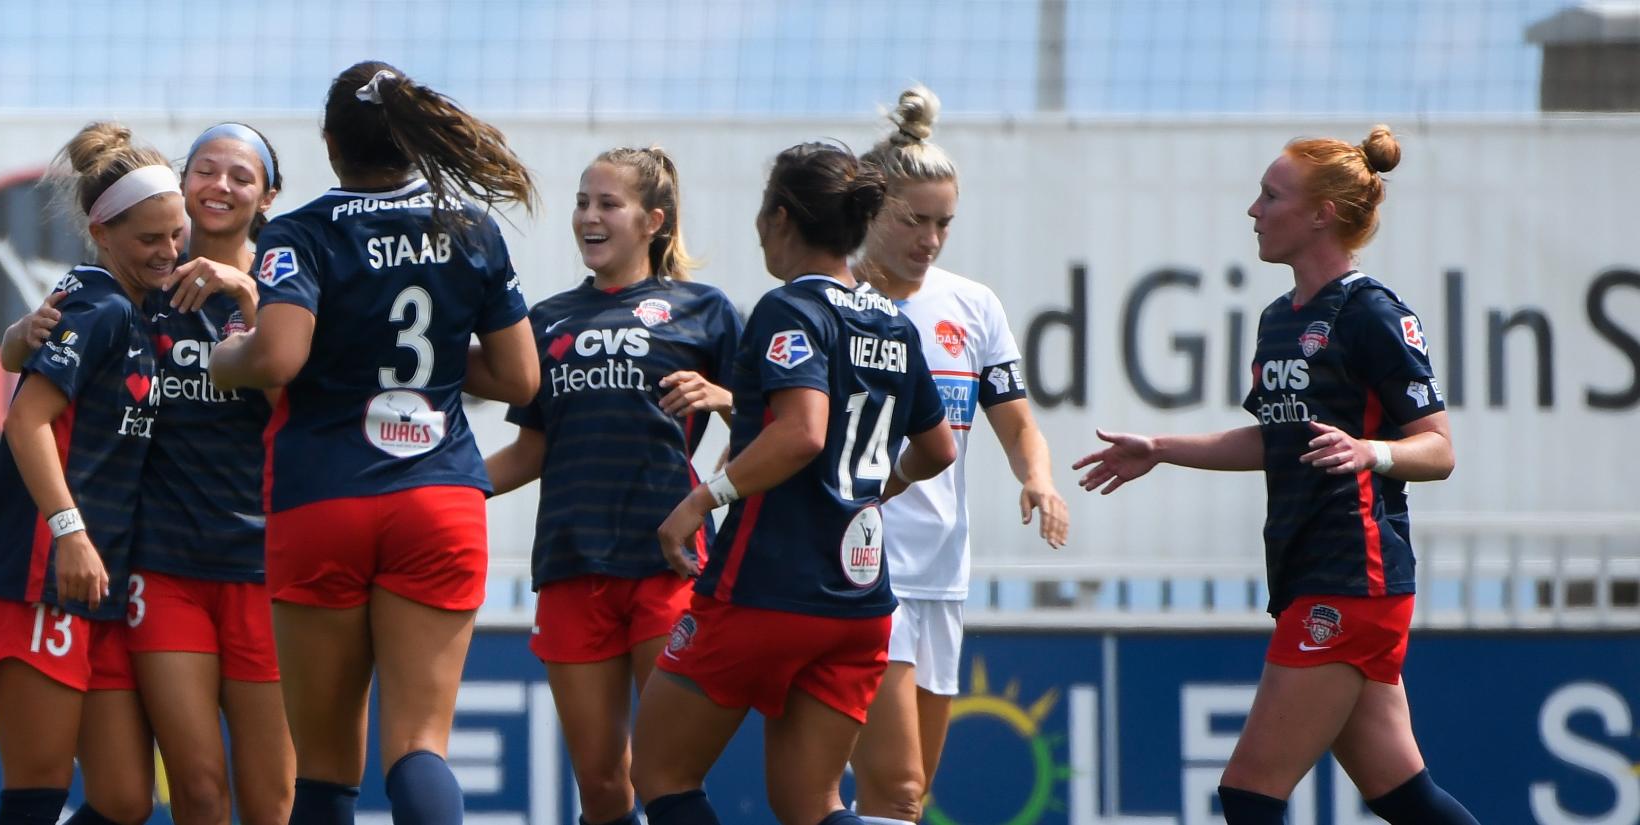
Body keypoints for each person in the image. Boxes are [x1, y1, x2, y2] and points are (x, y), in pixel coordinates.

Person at [1072, 126, 1478, 825]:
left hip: (1352, 575)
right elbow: (1277, 441)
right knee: (1406, 796)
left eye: (1270, 195)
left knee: (1249, 793)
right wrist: (1162, 446)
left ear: (1321, 213)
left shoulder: (1373, 313)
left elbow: (1437, 448)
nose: (1253, 210)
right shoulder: (1277, 320)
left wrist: (1370, 451)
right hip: (1312, 572)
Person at [206, 61, 540, 825]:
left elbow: (279, 356)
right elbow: (521, 378)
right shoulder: (471, 229)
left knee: (324, 773)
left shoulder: (303, 232)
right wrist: (444, 361)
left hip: (323, 496)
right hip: (438, 497)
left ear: (330, 144)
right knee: (420, 746)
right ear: (415, 140)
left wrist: (229, 353)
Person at [629, 142, 958, 825]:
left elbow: (803, 431)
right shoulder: (892, 324)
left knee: (659, 771)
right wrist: (876, 486)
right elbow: (938, 446)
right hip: (859, 604)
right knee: (810, 803)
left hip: (765, 588)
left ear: (780, 218)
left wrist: (699, 500)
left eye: (761, 211)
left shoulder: (790, 309)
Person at [1, 120, 294, 825]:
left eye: (241, 175)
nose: (219, 186)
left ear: (269, 197)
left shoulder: (287, 287)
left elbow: (301, 411)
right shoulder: (143, 279)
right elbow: (40, 361)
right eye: (206, 169)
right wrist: (18, 337)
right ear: (183, 183)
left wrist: (250, 300)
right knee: (193, 790)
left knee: (276, 800)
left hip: (263, 568)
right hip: (160, 568)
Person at [484, 146, 741, 825]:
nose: (589, 217)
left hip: (668, 562)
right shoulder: (546, 319)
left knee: (667, 775)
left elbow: (783, 427)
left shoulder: (706, 310)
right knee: (602, 786)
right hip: (572, 561)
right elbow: (531, 450)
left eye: (608, 204)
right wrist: (448, 483)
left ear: (652, 220)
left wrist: (721, 396)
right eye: (582, 202)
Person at [846, 84, 1070, 824]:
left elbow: (1017, 424)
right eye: (915, 220)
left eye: (944, 222)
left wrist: (1039, 479)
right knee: (897, 785)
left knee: (905, 800)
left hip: (941, 575)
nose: (931, 239)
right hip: (859, 570)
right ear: (872, 208)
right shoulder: (832, 302)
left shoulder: (972, 306)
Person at [0, 121, 174, 825]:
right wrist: (70, 531)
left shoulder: (134, 308)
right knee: (37, 792)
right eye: (150, 239)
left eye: (175, 235)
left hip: (99, 589)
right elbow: (24, 422)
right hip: (35, 580)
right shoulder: (101, 304)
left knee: (123, 801)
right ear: (103, 232)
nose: (169, 251)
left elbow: (23, 357)